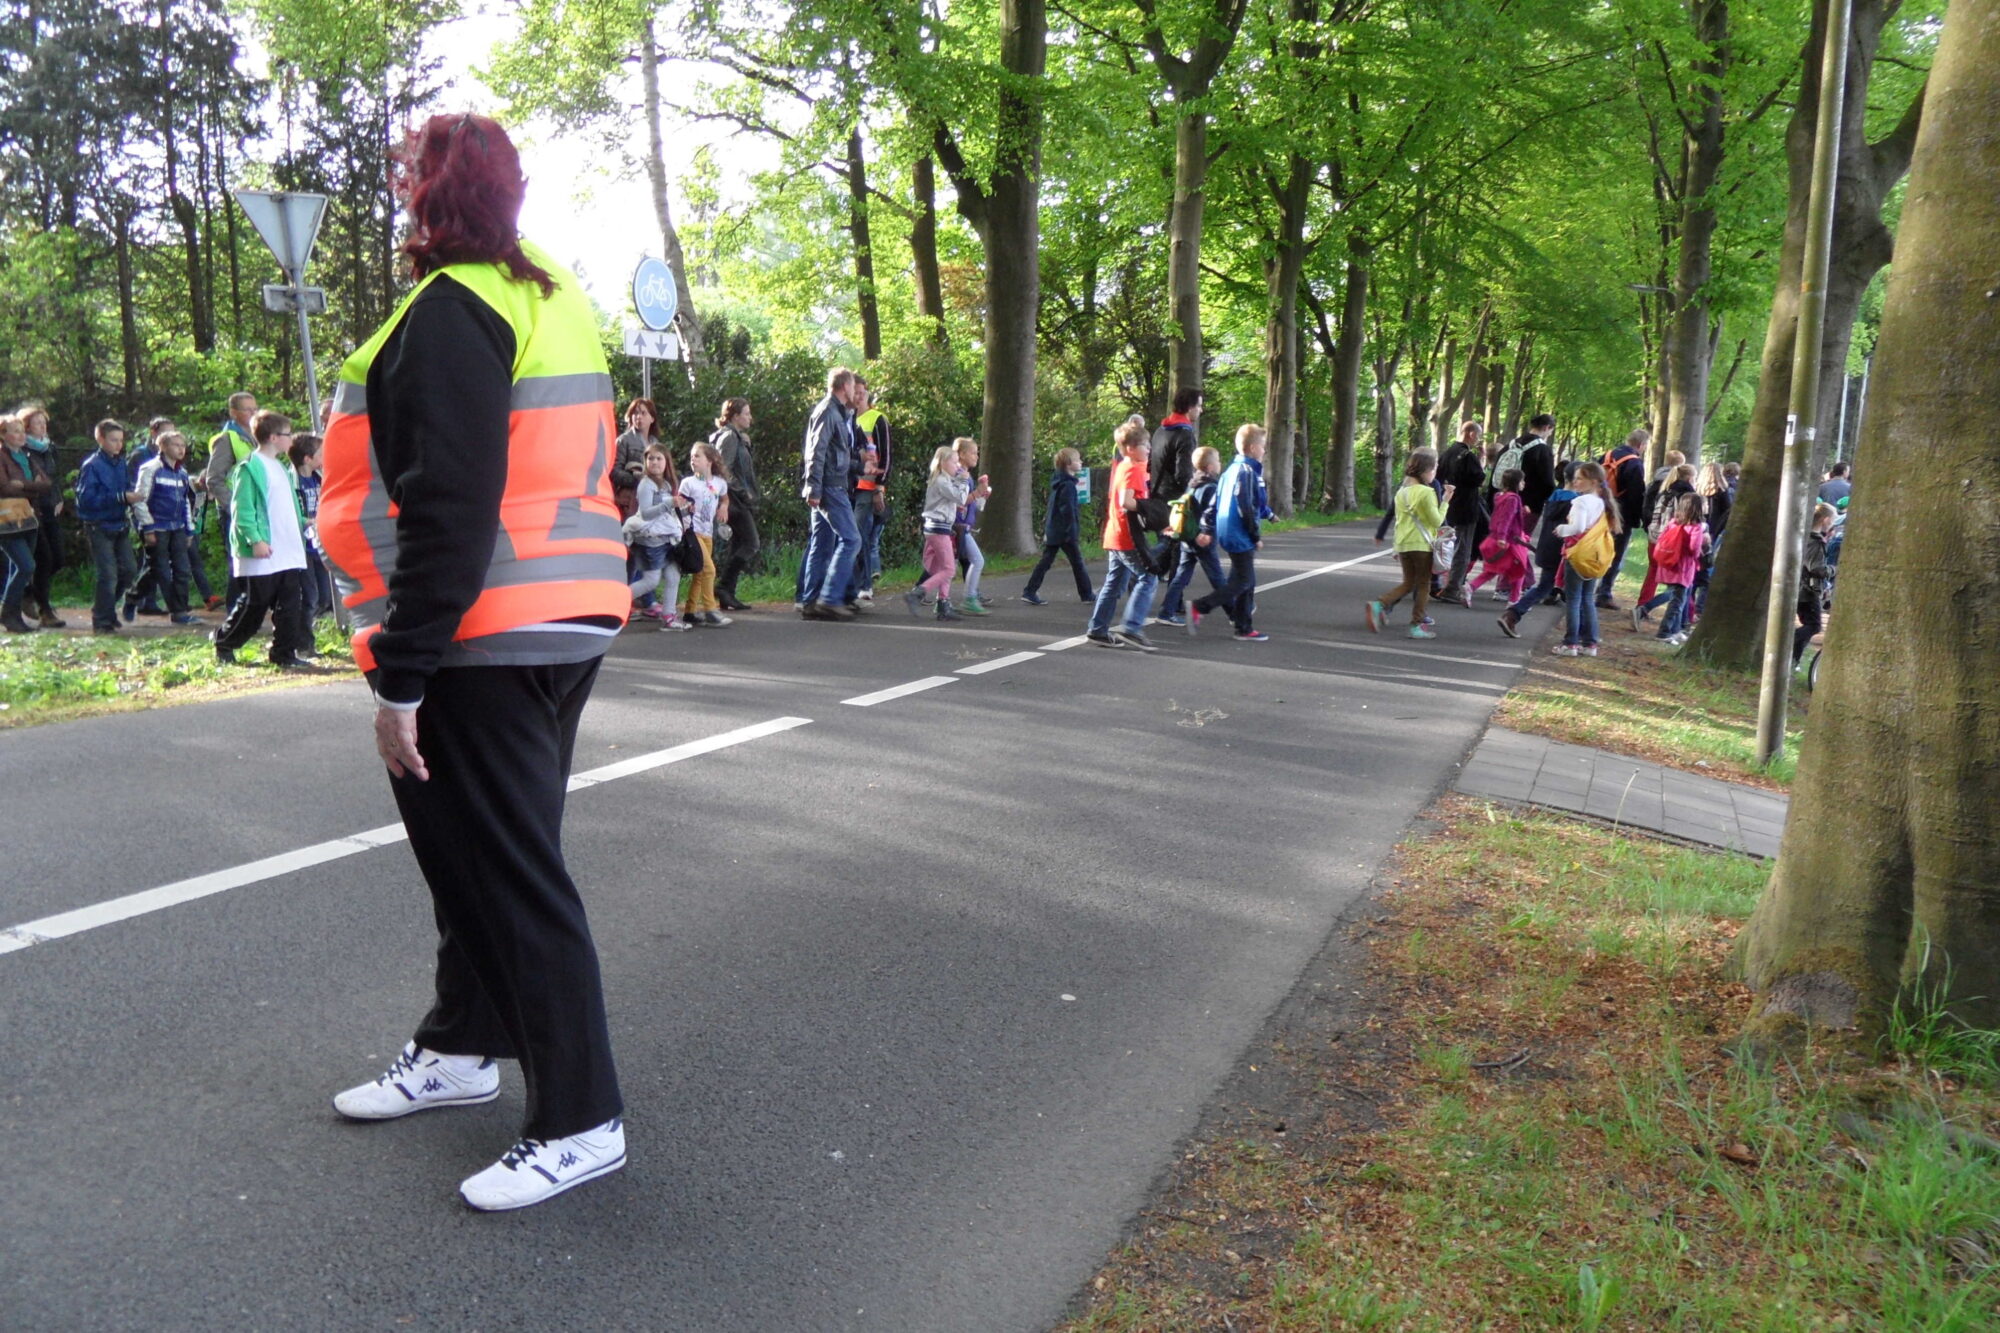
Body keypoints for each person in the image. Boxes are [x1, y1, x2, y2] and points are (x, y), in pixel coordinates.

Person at [320, 113, 631, 1213]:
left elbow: (446, 504)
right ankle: (461, 1045)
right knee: (483, 854)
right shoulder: (546, 291)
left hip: (481, 632)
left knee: (508, 873)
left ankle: (582, 1118)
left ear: (422, 194)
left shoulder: (452, 308)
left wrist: (400, 674)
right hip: (563, 612)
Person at [212, 411, 312, 667]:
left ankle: (284, 654)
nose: (292, 440)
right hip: (263, 549)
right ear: (273, 437)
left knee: (291, 604)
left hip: (287, 549)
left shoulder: (280, 466)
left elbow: (284, 506)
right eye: (288, 435)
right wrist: (255, 539)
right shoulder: (249, 467)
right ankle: (224, 642)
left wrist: (303, 522)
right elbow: (242, 509)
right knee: (255, 604)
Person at [1086, 421, 1161, 651]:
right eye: (1144, 444)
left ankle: (1098, 630)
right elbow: (1126, 502)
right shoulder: (1133, 469)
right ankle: (1132, 626)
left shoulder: (1123, 466)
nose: (1149, 448)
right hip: (1127, 537)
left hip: (1115, 535)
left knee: (1114, 583)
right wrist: (1151, 509)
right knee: (1148, 578)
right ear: (1130, 448)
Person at [1188, 425, 1268, 641]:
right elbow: (1246, 507)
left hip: (1228, 531)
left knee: (1245, 579)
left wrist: (1207, 527)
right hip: (1238, 533)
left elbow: (1215, 502)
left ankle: (1243, 627)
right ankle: (1200, 607)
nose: (1264, 451)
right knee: (1243, 581)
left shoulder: (1230, 470)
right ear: (1252, 448)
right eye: (1262, 447)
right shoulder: (1246, 472)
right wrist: (1255, 535)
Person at [798, 367, 862, 621]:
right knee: (851, 540)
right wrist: (814, 487)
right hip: (830, 486)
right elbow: (816, 450)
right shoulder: (828, 411)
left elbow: (836, 452)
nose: (856, 390)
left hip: (828, 484)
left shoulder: (835, 412)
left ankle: (810, 601)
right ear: (844, 386)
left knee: (822, 544)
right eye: (853, 385)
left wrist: (858, 465)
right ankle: (830, 599)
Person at [1366, 449, 1452, 640]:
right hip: (1422, 545)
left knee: (1408, 583)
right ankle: (1416, 625)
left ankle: (1380, 604)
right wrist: (1445, 500)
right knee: (1423, 585)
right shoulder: (1427, 493)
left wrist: (1396, 546)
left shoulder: (1401, 493)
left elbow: (1398, 520)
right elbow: (1436, 521)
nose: (1435, 474)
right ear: (1425, 471)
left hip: (1404, 544)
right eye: (1434, 469)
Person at [1497, 461, 1579, 639]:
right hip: (1564, 550)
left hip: (1548, 548)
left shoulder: (1554, 497)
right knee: (1575, 592)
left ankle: (1513, 614)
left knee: (1544, 586)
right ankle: (1576, 636)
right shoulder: (1575, 502)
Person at [76, 418, 140, 635]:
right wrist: (121, 497)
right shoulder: (92, 465)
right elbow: (86, 500)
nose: (118, 445)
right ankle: (102, 620)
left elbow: (126, 488)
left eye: (121, 440)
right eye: (113, 440)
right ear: (100, 439)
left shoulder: (121, 463)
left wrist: (133, 495)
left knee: (130, 570)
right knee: (108, 574)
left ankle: (106, 609)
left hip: (119, 525)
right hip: (99, 525)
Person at [130, 430, 201, 626]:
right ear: (163, 447)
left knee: (182, 570)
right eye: (176, 445)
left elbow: (186, 501)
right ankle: (133, 597)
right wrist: (148, 527)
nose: (181, 449)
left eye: (183, 445)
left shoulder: (182, 473)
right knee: (159, 570)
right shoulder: (150, 468)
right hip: (157, 526)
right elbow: (140, 500)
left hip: (177, 527)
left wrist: (189, 529)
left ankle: (179, 612)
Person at [1155, 445, 1226, 626]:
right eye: (1217, 460)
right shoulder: (1210, 487)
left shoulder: (1192, 483)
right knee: (1217, 578)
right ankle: (1236, 613)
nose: (1219, 464)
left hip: (1188, 536)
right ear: (1210, 467)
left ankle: (1166, 611)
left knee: (1180, 576)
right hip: (1202, 538)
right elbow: (1209, 512)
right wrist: (1207, 532)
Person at [1554, 460, 1618, 657]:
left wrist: (1561, 529)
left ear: (1594, 481)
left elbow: (1579, 528)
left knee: (1573, 599)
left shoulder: (1581, 502)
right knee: (1588, 599)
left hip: (1578, 554)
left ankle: (1570, 643)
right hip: (1595, 556)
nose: (1575, 482)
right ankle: (1590, 643)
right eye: (1575, 479)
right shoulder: (1601, 502)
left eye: (1580, 479)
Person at [625, 446, 689, 630]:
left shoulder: (666, 484)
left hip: (666, 538)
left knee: (673, 576)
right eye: (650, 459)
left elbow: (666, 511)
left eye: (658, 459)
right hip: (650, 540)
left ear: (666, 461)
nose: (654, 462)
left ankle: (669, 616)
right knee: (651, 581)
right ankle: (615, 601)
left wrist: (681, 507)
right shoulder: (646, 484)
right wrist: (669, 503)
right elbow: (645, 513)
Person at [1633, 493, 1708, 644]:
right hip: (1683, 569)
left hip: (1669, 565)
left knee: (1679, 597)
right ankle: (1664, 632)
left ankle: (1675, 630)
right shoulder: (1695, 528)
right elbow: (1694, 549)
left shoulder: (1674, 522)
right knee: (1677, 603)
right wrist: (1704, 544)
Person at [1021, 448, 1092, 605]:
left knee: (1047, 561)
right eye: (1077, 459)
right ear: (1068, 464)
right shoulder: (1068, 486)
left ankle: (1030, 590)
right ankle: (1087, 594)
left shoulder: (1059, 483)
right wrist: (1072, 531)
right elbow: (1068, 511)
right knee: (1077, 562)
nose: (1081, 462)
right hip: (1065, 531)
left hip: (1055, 529)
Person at [907, 444, 968, 621]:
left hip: (938, 528)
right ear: (942, 463)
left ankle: (943, 604)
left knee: (941, 568)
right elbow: (960, 497)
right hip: (938, 528)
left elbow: (952, 496)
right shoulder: (941, 481)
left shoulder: (944, 480)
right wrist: (964, 481)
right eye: (955, 462)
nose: (958, 466)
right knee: (949, 569)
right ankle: (918, 593)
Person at [17, 407, 66, 626]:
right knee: (44, 559)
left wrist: (59, 498)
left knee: (58, 558)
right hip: (32, 509)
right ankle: (45, 610)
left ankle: (29, 593)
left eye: (44, 422)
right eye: (37, 423)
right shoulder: (23, 449)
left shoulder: (49, 447)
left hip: (50, 507)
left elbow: (54, 477)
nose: (42, 426)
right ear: (27, 427)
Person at [710, 397, 759, 611]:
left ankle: (727, 593)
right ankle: (722, 588)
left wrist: (747, 445)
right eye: (746, 413)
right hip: (733, 500)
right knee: (751, 543)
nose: (750, 417)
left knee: (739, 545)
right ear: (735, 416)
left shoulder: (737, 438)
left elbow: (742, 467)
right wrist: (742, 491)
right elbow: (723, 468)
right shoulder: (729, 437)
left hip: (738, 499)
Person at [0, 413, 46, 634]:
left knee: (17, 568)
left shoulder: (27, 456)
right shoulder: (1, 456)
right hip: (7, 520)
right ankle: (8, 614)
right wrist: (32, 486)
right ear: (3, 434)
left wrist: (24, 485)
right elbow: (5, 488)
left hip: (29, 518)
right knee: (26, 566)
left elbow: (46, 483)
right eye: (15, 430)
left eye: (21, 430)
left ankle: (14, 615)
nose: (21, 435)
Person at [678, 440, 731, 627]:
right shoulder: (688, 483)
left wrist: (723, 508)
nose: (693, 460)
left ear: (709, 461)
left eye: (697, 456)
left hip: (708, 533)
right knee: (709, 570)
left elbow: (725, 499)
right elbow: (679, 505)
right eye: (691, 457)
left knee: (700, 574)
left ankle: (690, 612)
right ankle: (710, 609)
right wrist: (685, 509)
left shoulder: (719, 483)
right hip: (693, 533)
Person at [1435, 421, 1487, 605]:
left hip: (1448, 505)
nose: (1478, 439)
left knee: (1444, 546)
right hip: (1466, 508)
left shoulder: (1447, 453)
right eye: (1478, 435)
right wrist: (1482, 460)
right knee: (1462, 549)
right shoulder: (1468, 457)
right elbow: (1480, 479)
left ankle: (1437, 582)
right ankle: (1452, 588)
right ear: (1471, 434)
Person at [1633, 462, 1697, 614]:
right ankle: (1686, 614)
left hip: (1654, 537)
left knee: (1653, 572)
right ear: (1689, 478)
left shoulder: (1664, 491)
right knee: (1680, 582)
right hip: (1671, 540)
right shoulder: (1687, 495)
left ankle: (1643, 603)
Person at [1596, 428, 1649, 610]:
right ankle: (1604, 592)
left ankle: (1585, 586)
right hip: (1621, 514)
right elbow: (1636, 495)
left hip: (1598, 510)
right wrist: (1637, 520)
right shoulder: (1634, 463)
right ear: (1641, 445)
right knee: (1616, 554)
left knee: (1595, 548)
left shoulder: (1605, 456)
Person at [850, 381, 891, 604]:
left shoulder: (877, 419)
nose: (858, 397)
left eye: (861, 393)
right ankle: (854, 584)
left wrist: (880, 487)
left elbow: (886, 455)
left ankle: (864, 584)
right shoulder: (847, 418)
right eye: (854, 392)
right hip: (848, 486)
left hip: (867, 486)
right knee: (853, 535)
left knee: (859, 533)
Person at [289, 434, 332, 634]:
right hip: (302, 545)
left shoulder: (320, 478)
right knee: (309, 594)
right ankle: (304, 639)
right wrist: (306, 521)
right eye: (320, 454)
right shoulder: (292, 482)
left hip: (320, 542)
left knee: (326, 594)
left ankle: (314, 630)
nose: (324, 457)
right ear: (307, 458)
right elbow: (289, 513)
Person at [1469, 468, 1532, 605]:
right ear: (1516, 482)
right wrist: (1502, 537)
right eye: (1522, 480)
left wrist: (1521, 512)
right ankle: (1514, 599)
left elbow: (1504, 515)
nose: (1524, 483)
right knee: (1519, 568)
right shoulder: (1514, 499)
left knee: (1495, 568)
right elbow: (1507, 518)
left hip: (1503, 537)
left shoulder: (1499, 496)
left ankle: (1471, 586)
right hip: (1511, 540)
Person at [1793, 503, 1836, 666]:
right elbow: (1816, 569)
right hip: (1806, 592)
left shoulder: (1805, 538)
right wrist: (1833, 570)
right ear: (1825, 520)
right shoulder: (1815, 542)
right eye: (1832, 521)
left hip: (1805, 589)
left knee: (1809, 625)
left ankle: (1794, 660)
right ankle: (1789, 647)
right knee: (1814, 626)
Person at [953, 436, 992, 615]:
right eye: (973, 453)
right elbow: (959, 502)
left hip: (963, 526)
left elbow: (970, 504)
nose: (976, 456)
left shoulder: (965, 475)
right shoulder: (960, 475)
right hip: (958, 526)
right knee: (976, 561)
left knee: (949, 566)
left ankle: (946, 599)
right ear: (961, 454)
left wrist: (981, 496)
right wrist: (977, 493)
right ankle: (969, 598)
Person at [1689, 461, 1732, 620]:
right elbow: (1727, 514)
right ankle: (1699, 608)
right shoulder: (1722, 492)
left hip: (1697, 531)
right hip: (1712, 534)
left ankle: (1690, 606)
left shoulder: (1696, 490)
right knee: (1707, 572)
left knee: (1693, 571)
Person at [1497, 412, 1558, 521]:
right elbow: (1547, 481)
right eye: (1550, 431)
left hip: (1503, 500)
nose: (1549, 434)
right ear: (1546, 427)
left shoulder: (1511, 445)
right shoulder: (1543, 450)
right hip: (1528, 506)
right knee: (1520, 536)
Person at [1148, 387, 1203, 503]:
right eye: (1198, 406)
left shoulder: (1160, 430)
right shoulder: (1185, 435)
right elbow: (1183, 476)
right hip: (1173, 503)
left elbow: (1149, 466)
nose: (1201, 410)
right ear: (1189, 407)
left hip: (1155, 497)